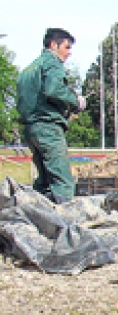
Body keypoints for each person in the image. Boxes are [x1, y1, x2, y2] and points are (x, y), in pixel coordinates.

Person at [16, 27, 86, 204]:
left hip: (31, 129)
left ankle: (40, 217)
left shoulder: (29, 68)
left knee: (45, 182)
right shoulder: (52, 64)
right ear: (54, 45)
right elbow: (54, 90)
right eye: (67, 47)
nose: (69, 53)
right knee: (62, 182)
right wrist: (75, 102)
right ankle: (65, 225)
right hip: (48, 128)